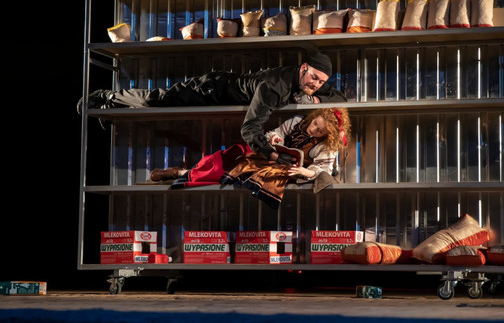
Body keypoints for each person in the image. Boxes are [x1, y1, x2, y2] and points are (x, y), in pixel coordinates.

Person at [78, 50, 346, 163]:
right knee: (157, 100)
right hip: (210, 91)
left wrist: (317, 99)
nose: (316, 84)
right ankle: (106, 96)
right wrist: (273, 155)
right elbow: (250, 128)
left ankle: (112, 109)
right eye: (313, 78)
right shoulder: (273, 87)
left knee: (154, 106)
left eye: (321, 82)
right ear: (302, 68)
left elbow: (342, 100)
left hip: (225, 95)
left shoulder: (311, 85)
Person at [152, 107, 352, 210]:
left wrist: (303, 172)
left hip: (286, 168)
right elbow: (274, 133)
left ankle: (180, 173)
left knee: (238, 174)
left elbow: (322, 170)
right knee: (227, 161)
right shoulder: (297, 121)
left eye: (320, 130)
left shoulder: (327, 146)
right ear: (315, 116)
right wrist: (274, 138)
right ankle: (179, 171)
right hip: (269, 156)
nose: (314, 129)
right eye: (316, 123)